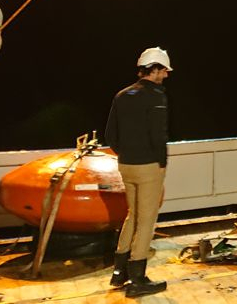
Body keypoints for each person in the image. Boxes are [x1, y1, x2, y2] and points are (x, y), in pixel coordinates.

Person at [105, 47, 172, 297]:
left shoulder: (122, 95)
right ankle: (137, 279)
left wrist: (127, 153)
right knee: (147, 221)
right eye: (163, 70)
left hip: (125, 164)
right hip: (148, 167)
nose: (165, 75)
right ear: (153, 69)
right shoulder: (156, 97)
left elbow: (110, 135)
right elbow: (158, 134)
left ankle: (119, 272)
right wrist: (161, 163)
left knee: (132, 216)